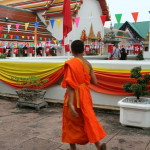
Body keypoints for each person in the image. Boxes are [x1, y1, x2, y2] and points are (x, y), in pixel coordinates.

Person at [61, 40, 107, 150]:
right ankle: (99, 145)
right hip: (85, 95)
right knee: (88, 119)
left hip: (74, 96)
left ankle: (73, 149)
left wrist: (71, 104)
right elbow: (95, 82)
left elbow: (70, 85)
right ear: (83, 50)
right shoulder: (87, 64)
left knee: (71, 122)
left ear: (72, 51)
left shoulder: (71, 64)